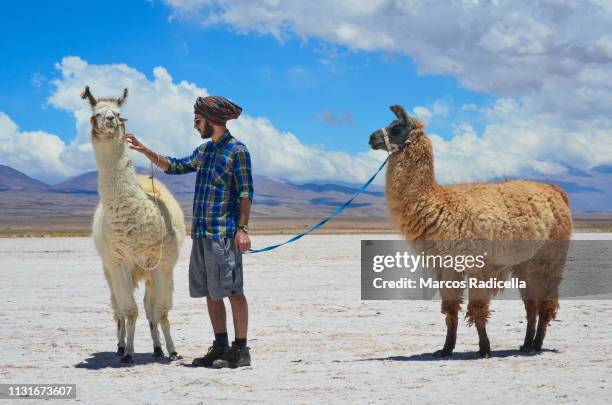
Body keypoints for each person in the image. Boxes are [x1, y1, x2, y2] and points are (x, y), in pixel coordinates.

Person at [126, 96, 253, 369]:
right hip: (202, 234)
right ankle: (220, 346)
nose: (196, 126)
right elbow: (175, 165)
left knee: (232, 290)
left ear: (213, 120)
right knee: (210, 291)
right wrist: (145, 151)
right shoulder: (205, 151)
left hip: (224, 234)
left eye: (198, 121)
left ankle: (240, 350)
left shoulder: (237, 151)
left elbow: (245, 192)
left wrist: (242, 229)